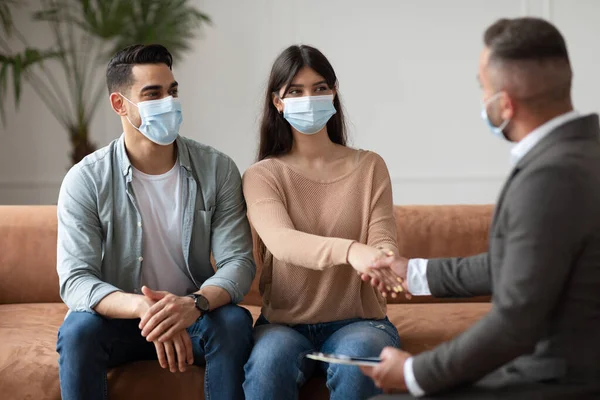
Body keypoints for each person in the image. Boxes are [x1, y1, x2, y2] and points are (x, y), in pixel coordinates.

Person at [360, 17, 600, 399]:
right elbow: (516, 267)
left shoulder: (551, 176)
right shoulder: (581, 150)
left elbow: (514, 324)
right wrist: (414, 273)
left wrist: (414, 372)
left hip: (559, 380)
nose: (480, 99)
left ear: (504, 103)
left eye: (481, 87)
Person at [55, 44, 256, 400]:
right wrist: (143, 308)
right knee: (78, 330)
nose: (168, 102)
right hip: (120, 321)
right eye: (153, 94)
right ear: (120, 104)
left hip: (193, 315)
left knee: (234, 323)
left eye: (172, 91)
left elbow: (238, 263)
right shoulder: (85, 179)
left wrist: (192, 305)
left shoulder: (217, 169)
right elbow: (75, 280)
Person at [241, 44, 403, 400]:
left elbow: (382, 237)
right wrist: (351, 251)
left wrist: (383, 259)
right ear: (277, 102)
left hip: (360, 322)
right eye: (295, 91)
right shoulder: (261, 175)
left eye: (319, 88)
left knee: (360, 364)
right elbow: (282, 242)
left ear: (333, 93)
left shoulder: (370, 166)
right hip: (283, 325)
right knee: (267, 365)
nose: (309, 98)